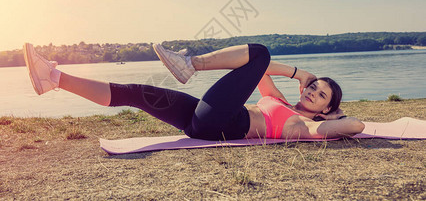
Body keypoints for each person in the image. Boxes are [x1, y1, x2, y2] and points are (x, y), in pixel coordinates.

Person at [23, 43, 365, 141]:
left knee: (260, 51)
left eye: (320, 96)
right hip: (203, 118)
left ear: (325, 110)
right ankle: (52, 78)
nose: (312, 93)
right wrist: (299, 73)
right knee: (137, 92)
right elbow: (258, 71)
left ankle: (191, 65)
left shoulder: (302, 125)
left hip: (223, 123)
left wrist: (335, 118)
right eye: (314, 87)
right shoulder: (276, 99)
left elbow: (354, 127)